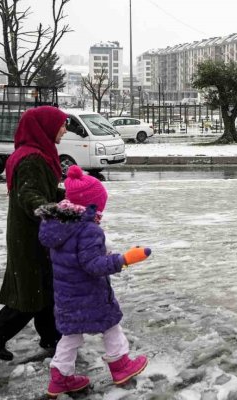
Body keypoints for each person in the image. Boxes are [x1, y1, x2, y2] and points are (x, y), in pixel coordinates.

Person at [37, 165, 151, 397]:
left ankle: (60, 377)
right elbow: (92, 265)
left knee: (70, 335)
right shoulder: (88, 230)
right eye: (100, 206)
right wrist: (124, 259)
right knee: (110, 325)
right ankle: (121, 366)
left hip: (67, 294)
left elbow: (74, 258)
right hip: (90, 293)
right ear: (91, 205)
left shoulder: (58, 225)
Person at [0, 106, 68, 361]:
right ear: (44, 127)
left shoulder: (33, 154)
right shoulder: (33, 158)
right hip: (30, 236)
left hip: (32, 232)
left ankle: (53, 338)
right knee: (30, 296)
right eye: (61, 124)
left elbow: (39, 191)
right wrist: (61, 210)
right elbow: (30, 197)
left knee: (45, 290)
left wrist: (68, 197)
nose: (65, 129)